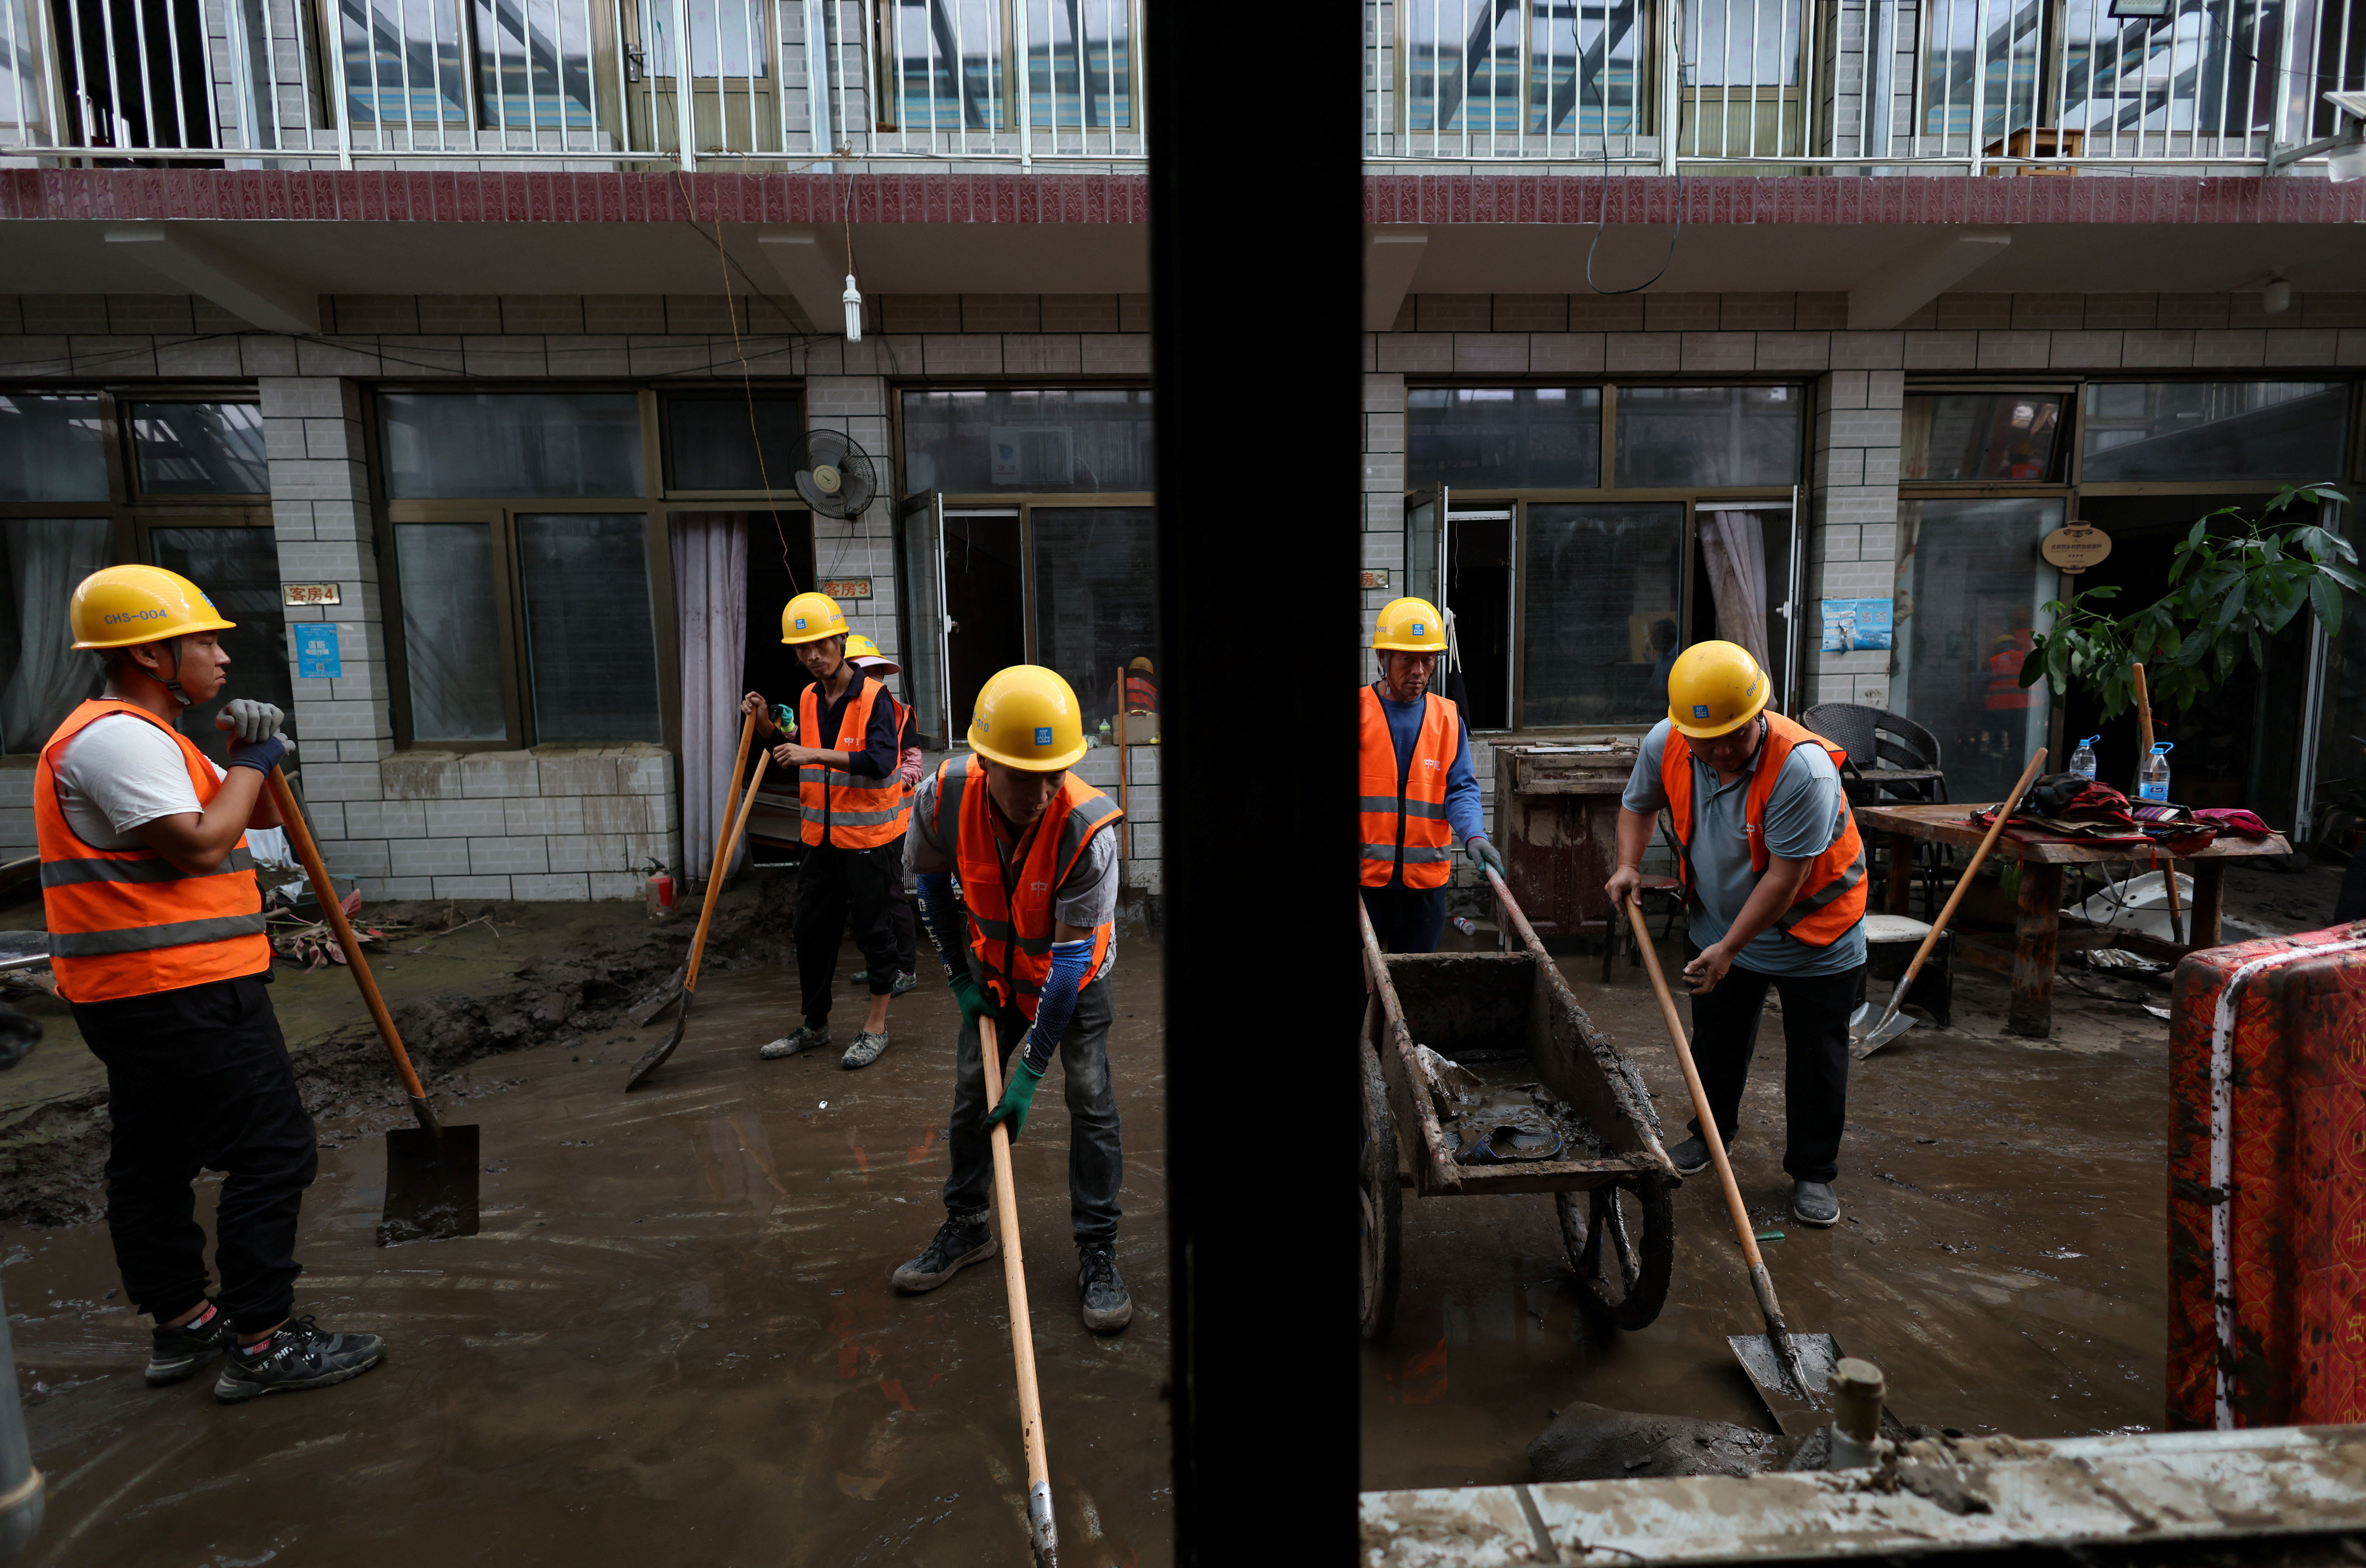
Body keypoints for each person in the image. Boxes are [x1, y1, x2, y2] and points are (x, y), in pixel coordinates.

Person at [39, 565, 384, 1403]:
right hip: (179, 990)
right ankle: (262, 1338)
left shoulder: (156, 735)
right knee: (273, 1150)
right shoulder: (117, 741)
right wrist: (253, 760)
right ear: (148, 653)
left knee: (154, 1154)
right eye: (204, 641)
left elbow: (251, 821)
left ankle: (185, 1320)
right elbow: (198, 846)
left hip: (147, 989)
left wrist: (247, 762)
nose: (223, 657)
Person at [890, 666, 1132, 1333]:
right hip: (993, 969)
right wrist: (959, 979)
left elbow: (1069, 964)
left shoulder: (1088, 830)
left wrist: (1028, 1074)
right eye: (1026, 776)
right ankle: (968, 1225)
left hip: (1071, 979)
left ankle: (1098, 1249)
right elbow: (931, 886)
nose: (1043, 791)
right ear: (987, 760)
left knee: (1089, 1095)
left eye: (1055, 774)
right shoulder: (942, 797)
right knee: (972, 1089)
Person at [1604, 640, 1868, 1229]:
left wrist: (1728, 949)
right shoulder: (1665, 742)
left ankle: (1813, 1171)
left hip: (1815, 932)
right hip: (1718, 925)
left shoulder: (1801, 768)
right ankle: (1708, 1136)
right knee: (1715, 1043)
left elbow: (1784, 879)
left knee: (1817, 1059)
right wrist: (1627, 865)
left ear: (1758, 714)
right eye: (1708, 740)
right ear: (1682, 728)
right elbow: (1637, 806)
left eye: (1735, 733)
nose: (1722, 749)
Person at [743, 593, 909, 1071]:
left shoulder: (876, 699)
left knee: (875, 933)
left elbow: (881, 761)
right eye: (803, 649)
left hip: (869, 841)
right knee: (811, 932)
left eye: (821, 645)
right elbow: (790, 753)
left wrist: (812, 755)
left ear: (841, 640)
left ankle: (875, 1027)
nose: (813, 656)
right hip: (819, 841)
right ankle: (815, 1025)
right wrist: (764, 725)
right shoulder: (809, 697)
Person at [1359, 596, 1505, 954]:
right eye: (1407, 660)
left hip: (1423, 886)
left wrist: (1474, 835)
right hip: (1364, 881)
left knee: (1416, 978)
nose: (1419, 671)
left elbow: (1461, 789)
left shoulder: (1447, 719)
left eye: (1427, 660)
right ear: (1382, 657)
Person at [843, 632, 921, 997]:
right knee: (868, 897)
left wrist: (891, 784)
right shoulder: (843, 712)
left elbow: (913, 763)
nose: (871, 679)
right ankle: (882, 965)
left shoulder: (898, 712)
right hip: (856, 823)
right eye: (863, 672)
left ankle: (904, 968)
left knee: (891, 894)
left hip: (892, 822)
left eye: (875, 672)